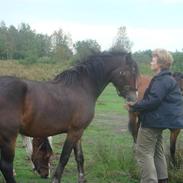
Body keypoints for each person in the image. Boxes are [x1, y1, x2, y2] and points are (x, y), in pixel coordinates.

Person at [125, 48, 183, 183]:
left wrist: (134, 106)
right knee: (157, 152)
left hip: (152, 123)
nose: (151, 61)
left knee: (143, 152)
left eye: (153, 58)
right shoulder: (167, 79)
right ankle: (163, 179)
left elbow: (153, 101)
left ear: (161, 63)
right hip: (159, 122)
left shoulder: (161, 80)